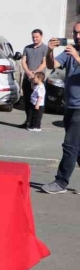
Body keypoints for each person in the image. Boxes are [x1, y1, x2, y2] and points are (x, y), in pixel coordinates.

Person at [42, 28, 80, 194]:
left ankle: (61, 182)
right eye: (75, 32)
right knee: (77, 148)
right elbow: (51, 65)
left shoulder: (74, 54)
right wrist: (50, 50)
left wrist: (77, 57)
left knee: (70, 146)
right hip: (70, 106)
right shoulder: (69, 51)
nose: (77, 36)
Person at [21, 29, 48, 129]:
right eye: (33, 37)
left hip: (38, 81)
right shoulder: (27, 48)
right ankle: (28, 121)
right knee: (28, 101)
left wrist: (35, 73)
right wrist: (28, 72)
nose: (35, 39)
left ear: (41, 36)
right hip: (27, 78)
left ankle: (36, 123)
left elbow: (44, 63)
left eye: (37, 37)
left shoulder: (45, 48)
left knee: (38, 103)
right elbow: (23, 61)